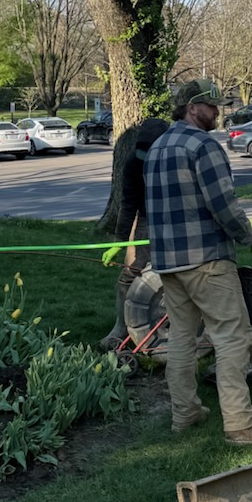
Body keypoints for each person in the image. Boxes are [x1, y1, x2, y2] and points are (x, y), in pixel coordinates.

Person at [143, 78, 252, 447]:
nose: (217, 112)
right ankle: (241, 425)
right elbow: (223, 203)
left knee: (180, 338)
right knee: (232, 336)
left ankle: (185, 413)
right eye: (211, 106)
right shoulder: (203, 146)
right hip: (207, 260)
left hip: (168, 263)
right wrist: (248, 235)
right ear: (192, 108)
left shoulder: (159, 146)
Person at [99, 116, 170, 351]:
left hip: (177, 220)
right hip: (146, 220)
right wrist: (119, 242)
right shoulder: (133, 162)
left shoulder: (174, 160)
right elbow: (128, 204)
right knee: (129, 275)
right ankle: (121, 328)